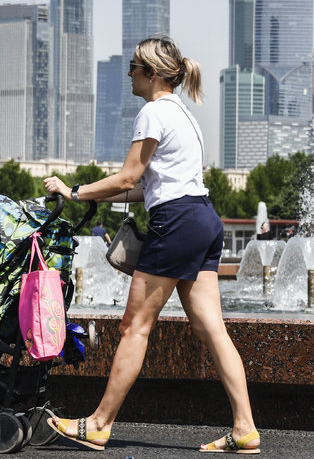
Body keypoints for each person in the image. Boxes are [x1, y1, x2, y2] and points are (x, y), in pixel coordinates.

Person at [43, 35, 260, 453]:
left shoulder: (153, 113)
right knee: (212, 328)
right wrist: (98, 195)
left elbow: (128, 177)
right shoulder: (185, 116)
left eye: (133, 67)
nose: (129, 73)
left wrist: (75, 192)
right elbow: (148, 187)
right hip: (203, 219)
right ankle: (245, 427)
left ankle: (99, 424)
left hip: (177, 224)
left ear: (152, 74)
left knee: (133, 327)